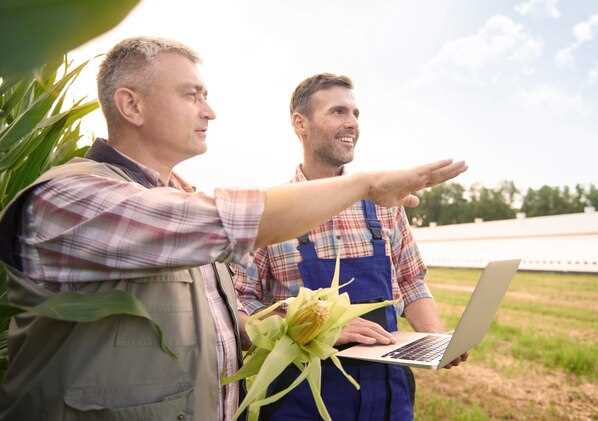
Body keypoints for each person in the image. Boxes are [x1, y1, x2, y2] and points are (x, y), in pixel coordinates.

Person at [0, 38, 466, 421]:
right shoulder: (71, 198)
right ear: (132, 105)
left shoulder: (177, 198)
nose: (210, 111)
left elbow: (225, 323)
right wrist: (366, 185)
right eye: (192, 95)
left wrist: (298, 324)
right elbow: (228, 224)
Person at [234, 73, 468, 421]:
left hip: (387, 394)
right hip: (302, 398)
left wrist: (436, 340)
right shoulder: (271, 211)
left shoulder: (387, 205)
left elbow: (411, 282)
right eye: (338, 112)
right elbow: (238, 305)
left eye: (356, 114)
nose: (352, 123)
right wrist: (318, 329)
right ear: (301, 123)